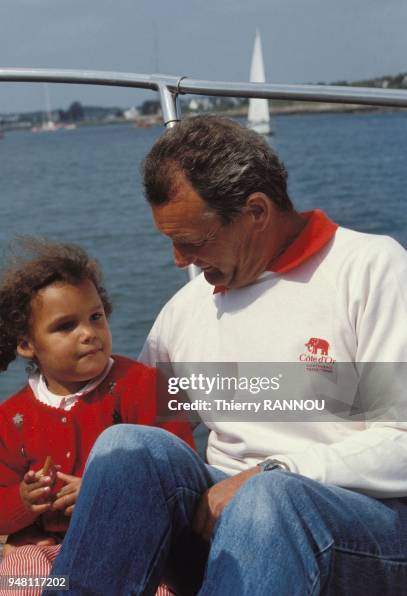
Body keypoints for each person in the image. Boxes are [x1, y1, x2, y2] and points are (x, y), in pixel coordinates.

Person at [47, 116, 407, 595]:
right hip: (225, 518)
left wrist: (274, 473)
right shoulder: (188, 308)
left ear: (256, 210)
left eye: (192, 241)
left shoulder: (369, 270)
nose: (177, 260)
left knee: (268, 500)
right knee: (126, 450)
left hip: (362, 527)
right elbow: (142, 419)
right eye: (170, 241)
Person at [0, 238, 193, 596]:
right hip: (49, 551)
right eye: (65, 326)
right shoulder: (11, 419)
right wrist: (24, 502)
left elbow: (180, 469)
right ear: (27, 344)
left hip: (136, 548)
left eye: (95, 317)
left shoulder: (144, 385)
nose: (88, 333)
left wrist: (102, 492)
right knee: (17, 573)